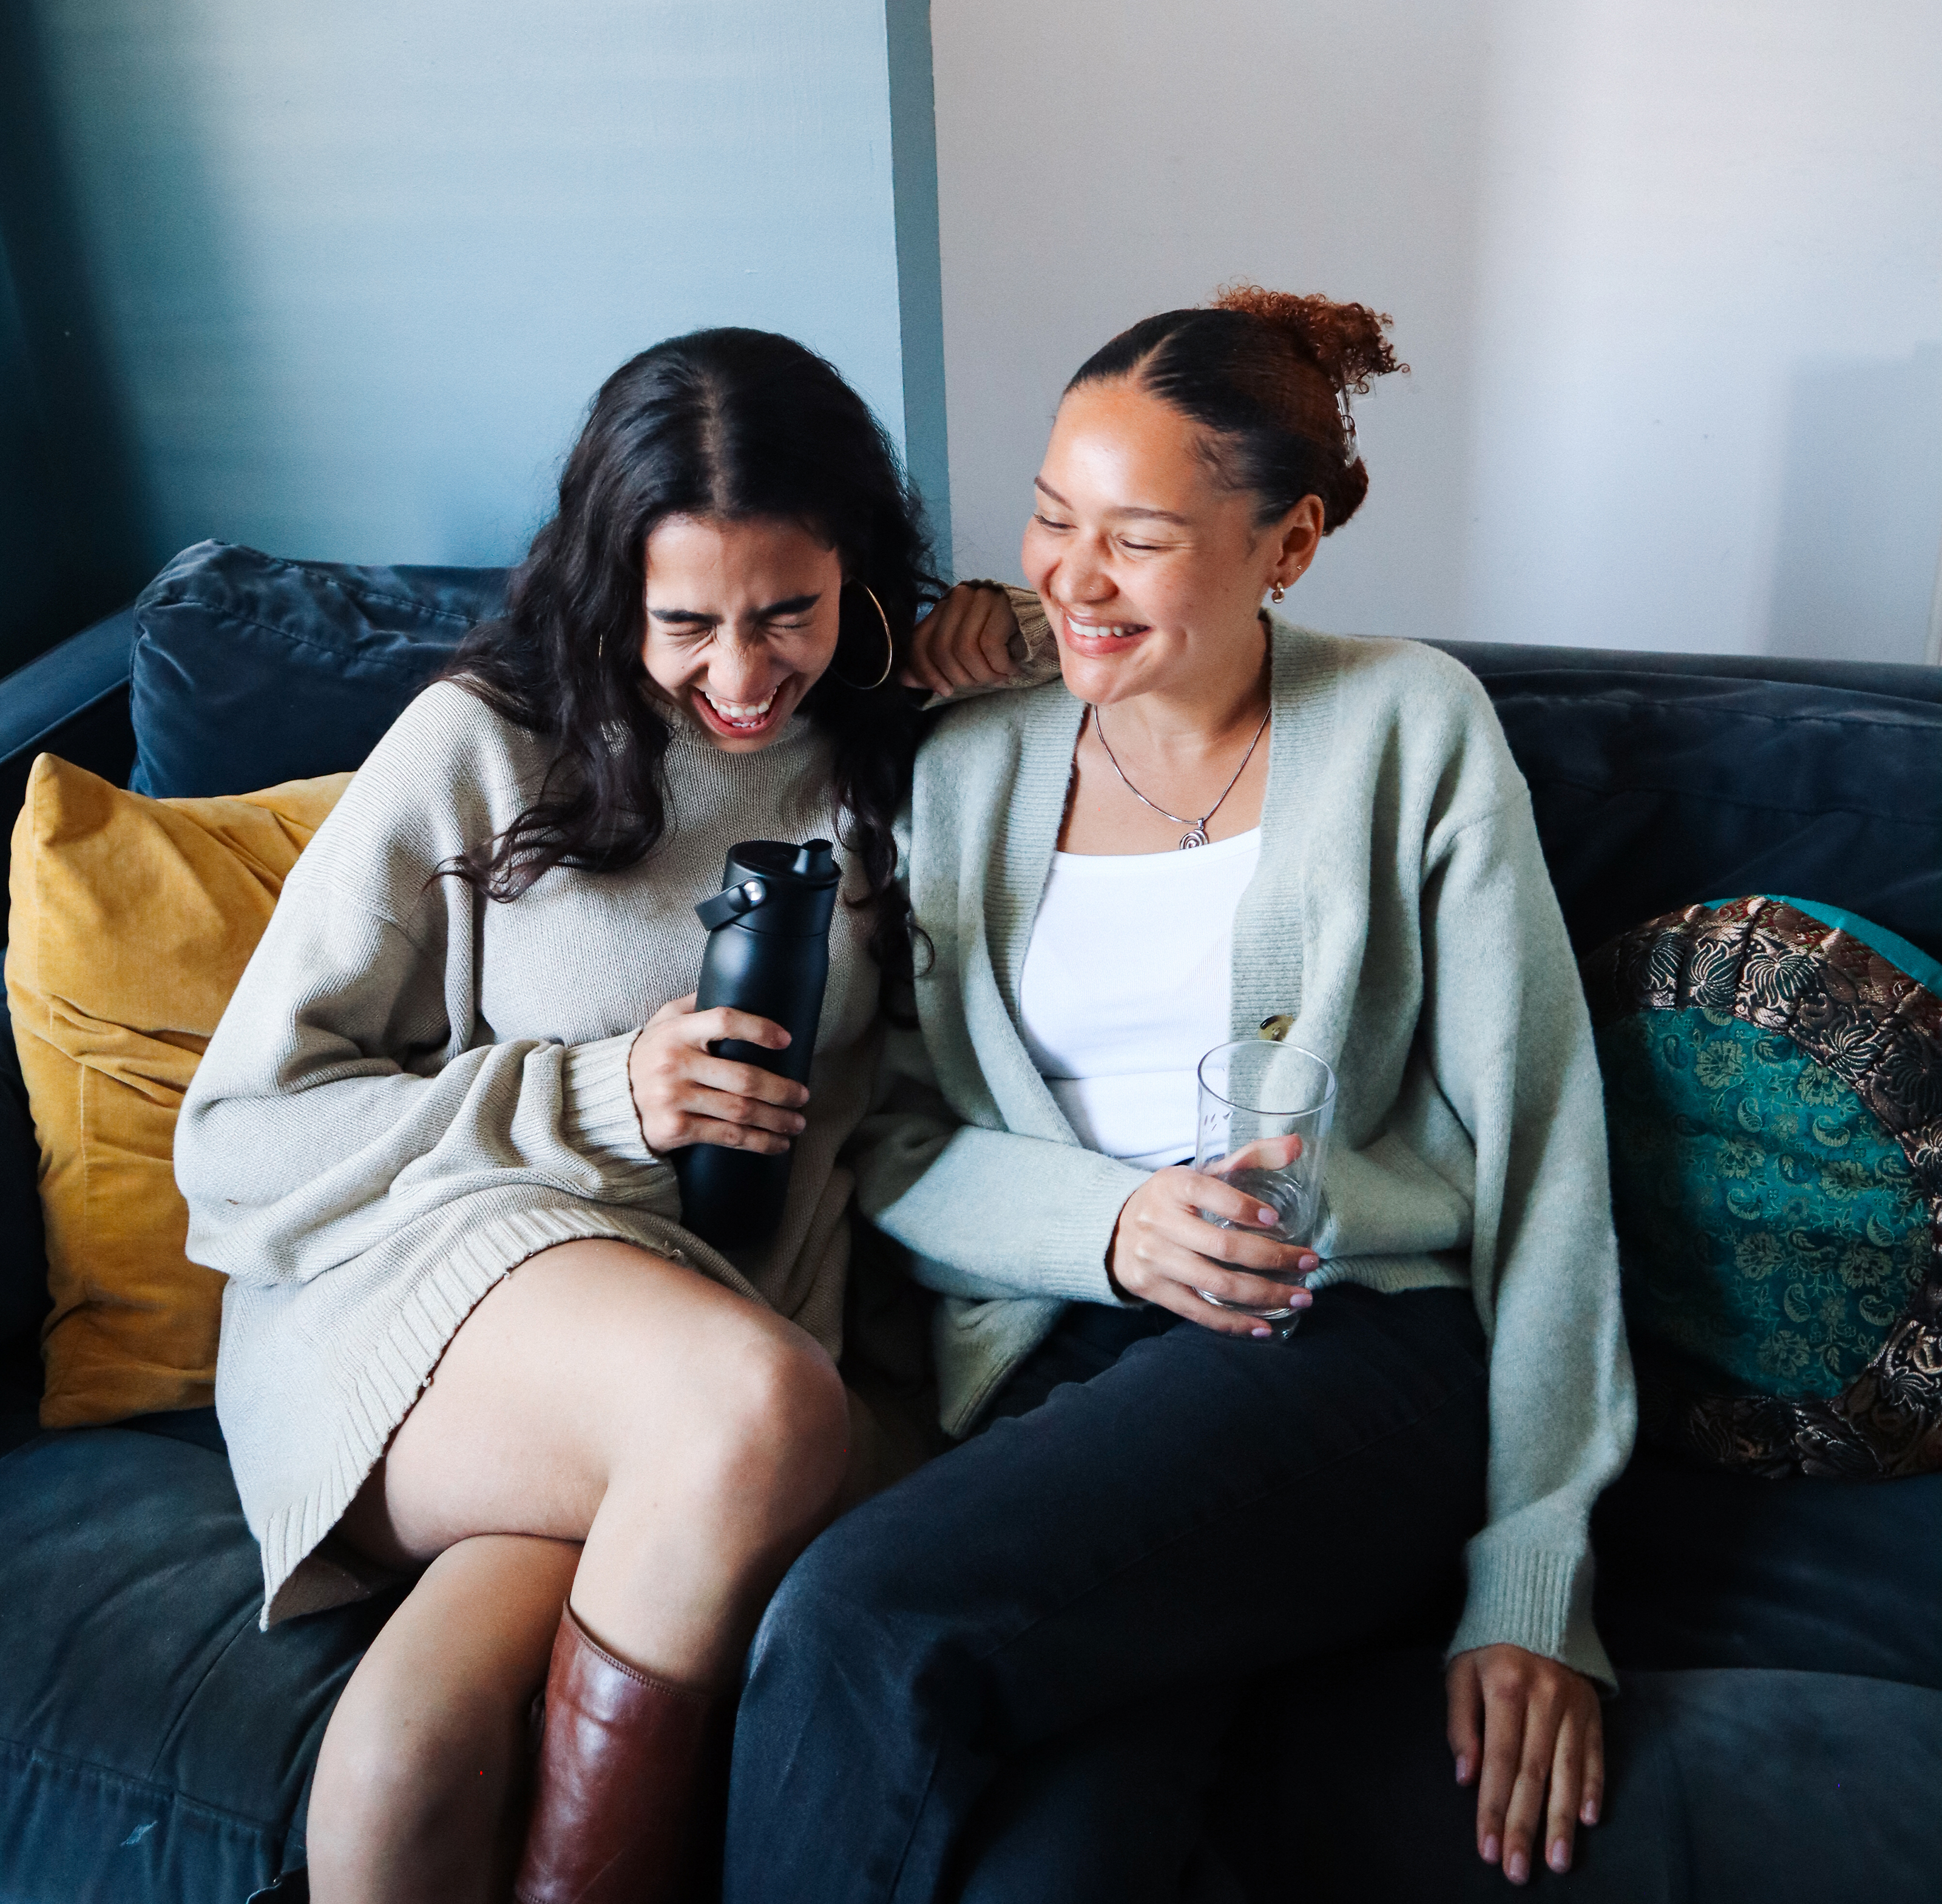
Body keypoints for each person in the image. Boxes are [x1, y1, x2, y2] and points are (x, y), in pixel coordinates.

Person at [725, 288, 1638, 1900]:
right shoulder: (970, 762)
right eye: (1051, 519)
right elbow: (897, 1138)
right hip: (1066, 1361)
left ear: (1288, 545)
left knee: (861, 1615)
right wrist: (1115, 1226)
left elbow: (1546, 1140)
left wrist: (1534, 1575)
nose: (1073, 575)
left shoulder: (1411, 726)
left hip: (1345, 1344)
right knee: (1054, 1862)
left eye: (1137, 539)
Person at [174, 326, 1035, 1904]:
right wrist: (596, 1093)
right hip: (433, 1301)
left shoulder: (888, 744)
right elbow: (233, 1135)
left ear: (856, 570)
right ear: (609, 591)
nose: (742, 676)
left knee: (417, 1745)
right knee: (758, 1412)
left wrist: (1023, 632)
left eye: (788, 611)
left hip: (711, 1340)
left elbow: (1182, 649)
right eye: (686, 623)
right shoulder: (484, 743)